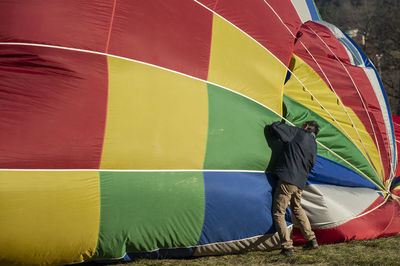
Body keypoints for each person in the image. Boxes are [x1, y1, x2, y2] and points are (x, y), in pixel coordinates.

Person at [268, 120, 320, 256]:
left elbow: (275, 127)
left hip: (287, 179)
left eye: (303, 125)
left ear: (307, 127)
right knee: (297, 208)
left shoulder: (297, 133)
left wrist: (284, 122)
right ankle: (311, 239)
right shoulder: (314, 145)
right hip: (300, 182)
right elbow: (311, 165)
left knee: (279, 212)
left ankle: (287, 247)